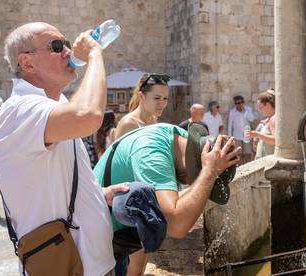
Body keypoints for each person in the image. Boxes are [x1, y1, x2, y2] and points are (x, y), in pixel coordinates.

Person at [0, 22, 129, 276]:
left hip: (93, 264)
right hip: (67, 267)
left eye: (67, 44)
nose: (68, 51)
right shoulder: (18, 110)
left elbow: (54, 180)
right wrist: (95, 54)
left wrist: (99, 195)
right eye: (56, 46)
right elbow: (88, 115)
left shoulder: (55, 106)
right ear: (27, 62)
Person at [93, 122, 241, 276]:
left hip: (117, 237)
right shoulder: (152, 153)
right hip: (96, 245)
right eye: (196, 179)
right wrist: (209, 173)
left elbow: (149, 212)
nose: (192, 185)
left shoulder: (176, 138)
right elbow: (176, 226)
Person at [114, 73, 169, 139]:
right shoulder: (128, 124)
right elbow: (118, 149)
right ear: (141, 96)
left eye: (165, 98)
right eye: (157, 98)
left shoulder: (154, 121)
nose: (162, 103)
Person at [247, 89, 276, 159]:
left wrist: (257, 134)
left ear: (268, 105)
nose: (259, 110)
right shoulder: (270, 119)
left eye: (260, 107)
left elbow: (276, 140)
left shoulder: (274, 119)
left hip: (268, 162)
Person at [227, 95, 255, 164]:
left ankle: (247, 166)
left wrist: (244, 112)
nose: (238, 105)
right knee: (238, 153)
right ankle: (240, 168)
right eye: (236, 103)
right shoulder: (232, 112)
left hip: (247, 134)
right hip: (237, 135)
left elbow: (252, 119)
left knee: (247, 153)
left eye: (239, 103)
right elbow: (230, 125)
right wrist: (230, 137)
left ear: (243, 103)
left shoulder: (248, 109)